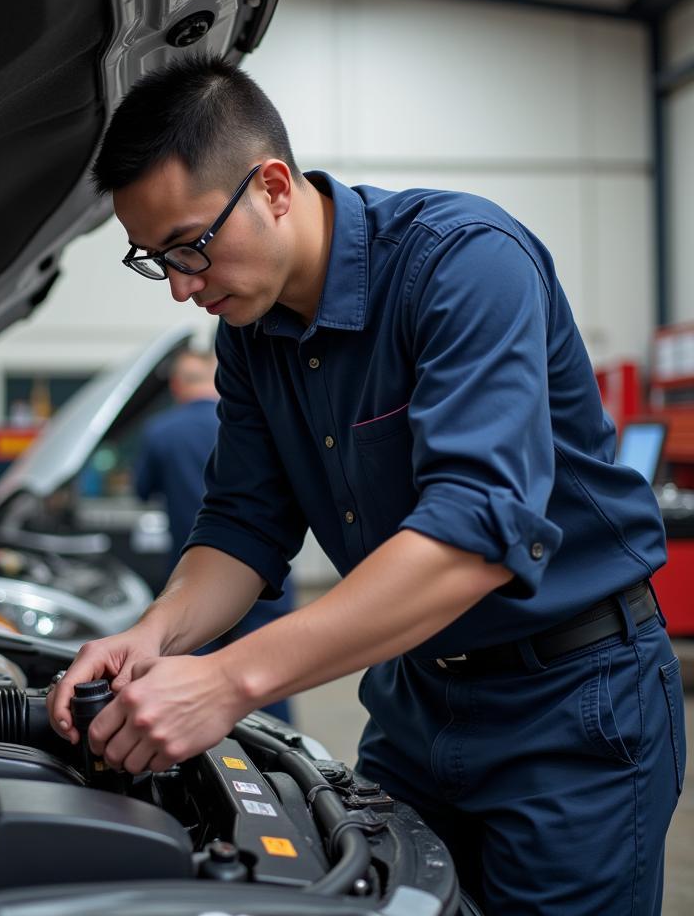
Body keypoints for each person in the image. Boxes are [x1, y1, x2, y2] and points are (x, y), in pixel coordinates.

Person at [48, 56, 683, 915]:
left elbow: (471, 538)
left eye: (192, 246)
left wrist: (228, 681)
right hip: (417, 699)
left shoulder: (463, 264)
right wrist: (154, 637)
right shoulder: (250, 331)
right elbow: (241, 525)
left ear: (273, 185)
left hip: (571, 704)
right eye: (153, 259)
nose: (181, 287)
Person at [133, 348, 293, 721]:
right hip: (268, 571)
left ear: (176, 385)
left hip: (194, 579)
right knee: (269, 679)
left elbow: (142, 490)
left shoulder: (161, 431)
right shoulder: (254, 423)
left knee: (191, 687)